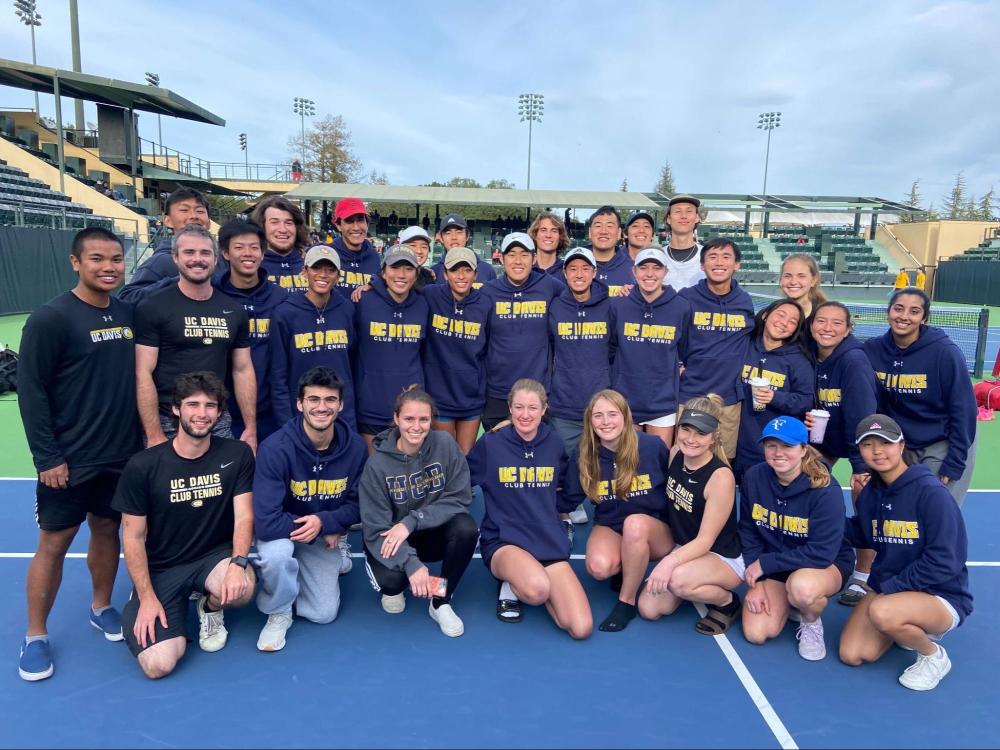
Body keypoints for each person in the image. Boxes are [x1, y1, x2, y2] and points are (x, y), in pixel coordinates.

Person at [16, 228, 143, 681]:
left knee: (108, 532)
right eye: (96, 259)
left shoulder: (128, 313)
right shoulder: (51, 319)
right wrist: (47, 457)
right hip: (68, 461)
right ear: (75, 262)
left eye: (115, 259)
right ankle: (35, 635)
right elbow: (31, 393)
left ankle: (101, 605)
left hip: (120, 456)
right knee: (53, 544)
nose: (108, 266)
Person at [115, 372, 256, 679]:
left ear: (219, 413)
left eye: (210, 406)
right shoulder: (143, 466)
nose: (201, 413)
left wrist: (237, 562)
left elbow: (244, 516)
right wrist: (148, 596)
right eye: (193, 404)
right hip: (162, 568)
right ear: (176, 409)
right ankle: (141, 599)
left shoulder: (237, 454)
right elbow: (133, 537)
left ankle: (210, 607)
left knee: (243, 586)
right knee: (159, 665)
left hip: (211, 558)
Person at [839, 414, 973, 691]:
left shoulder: (932, 494)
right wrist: (818, 520)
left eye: (885, 443)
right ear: (859, 450)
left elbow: (943, 561)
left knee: (882, 612)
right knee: (852, 654)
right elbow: (863, 535)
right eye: (868, 445)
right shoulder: (871, 494)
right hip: (893, 593)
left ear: (901, 446)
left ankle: (932, 656)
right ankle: (902, 624)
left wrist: (891, 589)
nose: (877, 452)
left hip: (940, 595)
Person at [252, 367, 367, 651]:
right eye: (313, 400)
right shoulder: (275, 448)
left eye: (330, 400)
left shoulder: (354, 447)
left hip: (321, 533)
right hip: (282, 532)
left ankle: (298, 571)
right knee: (278, 556)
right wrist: (319, 525)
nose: (322, 407)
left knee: (323, 614)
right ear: (300, 404)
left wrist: (329, 522)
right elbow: (266, 522)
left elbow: (359, 505)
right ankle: (278, 610)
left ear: (340, 405)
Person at [468, 379, 593, 638]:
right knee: (536, 590)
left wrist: (549, 511)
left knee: (581, 628)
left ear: (544, 410)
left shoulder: (554, 444)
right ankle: (510, 583)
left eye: (533, 408)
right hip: (505, 542)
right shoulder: (491, 444)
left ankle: (534, 580)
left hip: (546, 541)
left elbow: (565, 493)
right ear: (510, 409)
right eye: (519, 407)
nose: (525, 415)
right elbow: (459, 481)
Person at [359, 386, 478, 637]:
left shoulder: (445, 444)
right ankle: (411, 579)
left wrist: (412, 521)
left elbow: (459, 497)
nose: (417, 426)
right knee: (392, 585)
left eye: (424, 419)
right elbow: (376, 528)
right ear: (396, 419)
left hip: (429, 530)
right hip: (390, 538)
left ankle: (440, 599)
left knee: (467, 529)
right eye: (409, 419)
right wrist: (411, 564)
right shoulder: (377, 465)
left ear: (431, 420)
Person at [738, 417, 854, 661]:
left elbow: (822, 552)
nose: (778, 453)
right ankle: (791, 601)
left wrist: (765, 565)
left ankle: (811, 621)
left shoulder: (825, 489)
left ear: (803, 449)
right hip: (777, 566)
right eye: (771, 445)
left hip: (821, 565)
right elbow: (748, 530)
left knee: (802, 589)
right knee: (757, 633)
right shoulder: (755, 477)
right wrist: (756, 582)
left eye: (787, 446)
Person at [134, 225, 257, 450]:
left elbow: (243, 369)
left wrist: (251, 427)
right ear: (175, 257)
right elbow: (143, 372)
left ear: (216, 258)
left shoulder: (234, 311)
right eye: (189, 253)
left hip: (216, 420)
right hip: (168, 421)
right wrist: (153, 433)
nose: (197, 260)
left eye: (205, 253)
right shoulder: (153, 307)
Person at [563, 390, 670, 632]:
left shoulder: (652, 447)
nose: (606, 421)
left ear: (625, 416)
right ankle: (626, 567)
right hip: (612, 525)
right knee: (599, 567)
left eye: (612, 414)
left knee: (635, 524)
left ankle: (627, 600)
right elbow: (566, 500)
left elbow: (675, 489)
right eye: (598, 415)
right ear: (590, 420)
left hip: (654, 530)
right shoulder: (584, 456)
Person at [638, 396, 743, 635]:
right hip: (686, 547)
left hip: (720, 554)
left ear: (714, 437)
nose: (691, 439)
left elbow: (706, 541)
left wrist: (668, 563)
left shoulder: (720, 477)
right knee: (648, 609)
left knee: (676, 581)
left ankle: (727, 602)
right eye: (686, 429)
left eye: (701, 433)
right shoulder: (676, 453)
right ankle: (691, 581)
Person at [863, 288, 977, 506]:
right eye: (898, 309)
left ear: (923, 318)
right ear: (888, 312)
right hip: (902, 444)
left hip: (942, 441)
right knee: (899, 510)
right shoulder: (872, 350)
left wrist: (954, 461)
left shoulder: (944, 352)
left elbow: (964, 409)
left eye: (914, 311)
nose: (904, 316)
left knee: (935, 512)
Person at [805, 301, 880, 606]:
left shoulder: (853, 361)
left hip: (860, 437)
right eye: (821, 321)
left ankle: (863, 575)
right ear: (812, 326)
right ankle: (819, 552)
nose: (827, 328)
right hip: (827, 438)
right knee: (807, 482)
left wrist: (860, 465)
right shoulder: (813, 356)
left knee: (864, 498)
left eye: (837, 323)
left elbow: (862, 417)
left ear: (848, 329)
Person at [678, 238, 755, 461]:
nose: (719, 262)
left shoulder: (744, 300)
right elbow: (670, 334)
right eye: (712, 257)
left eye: (726, 257)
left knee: (722, 460)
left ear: (737, 265)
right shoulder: (686, 297)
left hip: (728, 399)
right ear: (702, 265)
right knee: (684, 457)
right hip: (690, 394)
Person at [609, 247, 691, 447]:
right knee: (627, 463)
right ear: (634, 272)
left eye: (656, 268)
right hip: (626, 399)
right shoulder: (619, 305)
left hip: (662, 401)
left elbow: (685, 349)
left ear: (665, 272)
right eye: (643, 268)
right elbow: (610, 348)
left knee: (659, 462)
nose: (650, 274)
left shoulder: (681, 307)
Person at [212, 219, 286, 442]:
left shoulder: (281, 298)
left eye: (254, 247)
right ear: (225, 253)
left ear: (263, 253)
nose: (248, 253)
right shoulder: (211, 295)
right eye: (239, 247)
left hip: (271, 412)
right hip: (221, 414)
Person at [480, 232, 562, 430]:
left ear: (534, 258)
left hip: (538, 391)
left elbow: (581, 297)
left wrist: (623, 292)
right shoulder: (488, 291)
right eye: (512, 254)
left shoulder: (549, 285)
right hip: (498, 392)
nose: (518, 261)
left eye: (524, 255)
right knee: (498, 455)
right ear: (501, 257)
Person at [269, 245, 357, 430]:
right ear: (304, 271)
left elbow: (353, 365)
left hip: (341, 415)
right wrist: (286, 423)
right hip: (300, 416)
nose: (323, 275)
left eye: (330, 270)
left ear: (338, 276)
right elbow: (278, 376)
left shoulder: (347, 310)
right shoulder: (285, 313)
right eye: (316, 268)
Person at [354, 246, 428, 449]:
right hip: (372, 407)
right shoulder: (362, 301)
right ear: (383, 271)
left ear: (416, 273)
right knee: (375, 473)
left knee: (407, 477)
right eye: (395, 267)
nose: (401, 275)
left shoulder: (424, 303)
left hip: (411, 410)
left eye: (408, 268)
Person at [423, 247, 492, 454]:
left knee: (465, 460)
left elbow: (487, 349)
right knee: (444, 459)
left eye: (467, 270)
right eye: (454, 270)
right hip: (439, 397)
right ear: (445, 273)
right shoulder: (430, 295)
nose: (461, 276)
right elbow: (398, 281)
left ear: (475, 274)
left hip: (470, 397)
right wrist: (371, 284)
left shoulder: (485, 303)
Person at [736, 298, 815, 477]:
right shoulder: (744, 346)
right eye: (781, 315)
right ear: (765, 315)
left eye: (792, 322)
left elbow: (806, 400)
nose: (784, 323)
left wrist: (775, 397)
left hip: (775, 450)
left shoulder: (798, 360)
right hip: (739, 445)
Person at [119, 188, 211, 302]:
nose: (193, 216)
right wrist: (180, 282)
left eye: (200, 211)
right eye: (184, 210)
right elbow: (127, 298)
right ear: (168, 221)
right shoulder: (160, 261)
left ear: (209, 222)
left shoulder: (222, 261)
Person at [249, 196, 311, 293]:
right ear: (261, 226)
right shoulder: (250, 266)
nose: (282, 229)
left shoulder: (312, 263)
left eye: (288, 223)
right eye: (274, 222)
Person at [330, 197, 382, 302]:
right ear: (338, 225)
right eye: (349, 221)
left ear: (367, 223)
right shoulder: (327, 254)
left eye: (360, 220)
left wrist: (374, 286)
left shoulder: (374, 257)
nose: (356, 227)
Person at [430, 213, 497, 286]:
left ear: (467, 235)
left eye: (459, 232)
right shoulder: (434, 272)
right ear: (441, 237)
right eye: (448, 233)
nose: (454, 237)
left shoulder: (486, 270)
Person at [586, 205, 632, 294]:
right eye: (598, 226)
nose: (603, 231)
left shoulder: (633, 270)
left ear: (619, 233)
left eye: (610, 226)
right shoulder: (573, 267)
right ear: (590, 232)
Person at [662, 195, 705, 290]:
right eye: (677, 211)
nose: (684, 216)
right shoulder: (657, 256)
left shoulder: (708, 256)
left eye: (689, 211)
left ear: (697, 218)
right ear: (668, 219)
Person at [779, 253, 827, 320]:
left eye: (801, 276)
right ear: (781, 279)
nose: (793, 282)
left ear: (813, 280)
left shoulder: (827, 315)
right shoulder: (770, 314)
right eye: (787, 276)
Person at [528, 211, 570, 275]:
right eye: (543, 230)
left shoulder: (567, 270)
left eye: (554, 231)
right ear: (535, 235)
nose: (548, 235)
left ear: (560, 237)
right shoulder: (525, 269)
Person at [397, 226, 436, 290]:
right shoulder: (390, 277)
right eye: (413, 245)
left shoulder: (429, 276)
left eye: (424, 247)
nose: (419, 251)